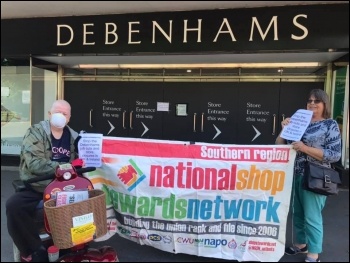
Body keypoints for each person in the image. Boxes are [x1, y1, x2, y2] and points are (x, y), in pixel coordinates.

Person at [6, 99, 82, 262]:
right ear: (49, 114)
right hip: (38, 186)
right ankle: (32, 249)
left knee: (87, 202)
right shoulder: (35, 132)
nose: (61, 116)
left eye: (64, 113)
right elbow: (34, 163)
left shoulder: (75, 137)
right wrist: (66, 165)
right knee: (13, 206)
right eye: (57, 112)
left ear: (69, 117)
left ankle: (74, 245)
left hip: (65, 187)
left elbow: (83, 163)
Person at [275, 89, 341, 262]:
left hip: (316, 176)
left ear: (324, 104)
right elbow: (279, 145)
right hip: (295, 174)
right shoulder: (300, 123)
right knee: (297, 213)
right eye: (310, 100)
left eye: (316, 101)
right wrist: (284, 129)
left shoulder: (330, 125)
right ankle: (300, 244)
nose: (312, 103)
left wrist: (305, 148)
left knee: (312, 216)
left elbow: (334, 154)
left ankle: (314, 253)